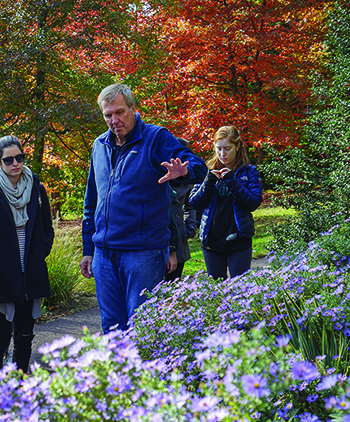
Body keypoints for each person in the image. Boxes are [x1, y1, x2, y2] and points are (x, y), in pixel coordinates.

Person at [80, 83, 207, 333]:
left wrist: (183, 171)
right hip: (104, 254)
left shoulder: (155, 138)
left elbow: (198, 166)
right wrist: (88, 248)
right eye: (108, 115)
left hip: (143, 253)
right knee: (112, 329)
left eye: (120, 112)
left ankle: (146, 373)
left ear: (133, 109)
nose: (114, 120)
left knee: (143, 328)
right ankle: (120, 373)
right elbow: (91, 201)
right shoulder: (99, 145)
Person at [0, 135, 54, 372]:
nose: (15, 163)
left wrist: (40, 252)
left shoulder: (36, 188)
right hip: (0, 275)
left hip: (31, 272)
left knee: (25, 335)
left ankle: (19, 386)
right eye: (8, 160)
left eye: (20, 158)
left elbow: (47, 228)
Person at [189, 126, 263, 279]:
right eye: (219, 149)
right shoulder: (206, 170)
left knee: (240, 291)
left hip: (239, 240)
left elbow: (253, 203)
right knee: (216, 292)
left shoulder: (249, 171)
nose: (223, 154)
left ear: (237, 147)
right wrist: (208, 182)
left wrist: (232, 181)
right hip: (211, 241)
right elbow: (195, 203)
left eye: (227, 148)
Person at [165, 138, 198, 281]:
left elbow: (190, 205)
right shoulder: (159, 180)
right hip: (160, 240)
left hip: (180, 240)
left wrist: (189, 227)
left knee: (174, 287)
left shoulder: (188, 181)